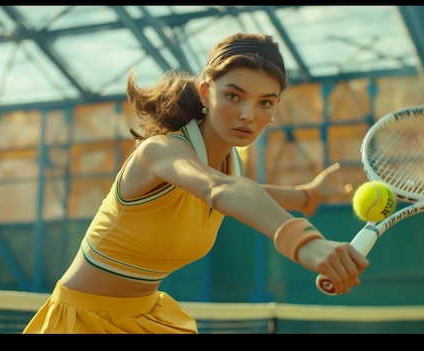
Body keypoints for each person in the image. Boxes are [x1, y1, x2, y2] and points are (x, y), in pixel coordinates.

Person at [23, 32, 369, 334]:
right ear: (206, 92)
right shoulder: (161, 152)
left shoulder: (229, 167)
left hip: (145, 320)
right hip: (80, 323)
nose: (249, 114)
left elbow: (237, 191)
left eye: (265, 102)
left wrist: (308, 195)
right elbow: (220, 191)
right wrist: (305, 242)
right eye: (234, 96)